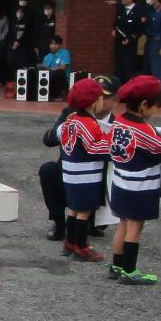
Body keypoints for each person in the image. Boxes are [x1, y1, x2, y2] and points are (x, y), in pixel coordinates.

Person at [104, 75, 161, 284]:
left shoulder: (119, 121)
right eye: (155, 107)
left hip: (120, 181)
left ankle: (117, 265)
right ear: (143, 105)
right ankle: (130, 272)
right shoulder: (145, 130)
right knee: (135, 227)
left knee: (122, 223)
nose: (155, 112)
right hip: (139, 186)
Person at [54, 77, 112, 263]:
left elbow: (59, 136)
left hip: (70, 172)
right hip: (86, 175)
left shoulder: (70, 121)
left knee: (74, 209)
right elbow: (95, 148)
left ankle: (69, 243)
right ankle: (82, 247)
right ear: (93, 102)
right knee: (84, 211)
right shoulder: (88, 123)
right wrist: (110, 140)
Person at [111, 0, 144, 83]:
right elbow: (116, 22)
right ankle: (117, 87)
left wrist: (130, 39)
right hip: (119, 43)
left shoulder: (139, 10)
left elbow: (139, 30)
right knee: (118, 67)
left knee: (127, 68)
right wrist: (114, 29)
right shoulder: (121, 8)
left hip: (130, 45)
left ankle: (127, 88)